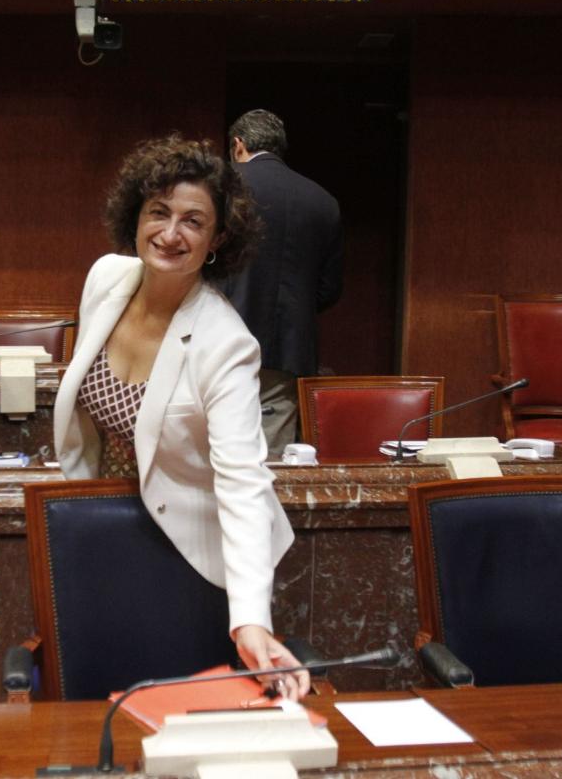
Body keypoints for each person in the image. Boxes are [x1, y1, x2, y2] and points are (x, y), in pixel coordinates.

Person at [53, 134, 308, 699]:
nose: (171, 233)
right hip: (108, 519)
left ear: (218, 237)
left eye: (193, 220)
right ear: (135, 216)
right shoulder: (106, 279)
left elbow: (242, 481)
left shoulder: (225, 343)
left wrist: (251, 620)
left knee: (181, 702)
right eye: (159, 212)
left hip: (191, 543)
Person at [226, 109, 343, 453]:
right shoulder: (323, 201)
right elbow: (329, 289)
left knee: (212, 453)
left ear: (238, 145)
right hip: (287, 348)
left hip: (217, 341)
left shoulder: (223, 187)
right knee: (272, 460)